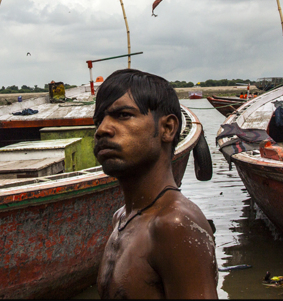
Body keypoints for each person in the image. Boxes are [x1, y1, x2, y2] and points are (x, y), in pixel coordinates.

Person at [93, 69, 218, 299]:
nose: (102, 129)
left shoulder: (174, 225)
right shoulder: (121, 218)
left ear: (167, 129)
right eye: (99, 120)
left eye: (122, 115)